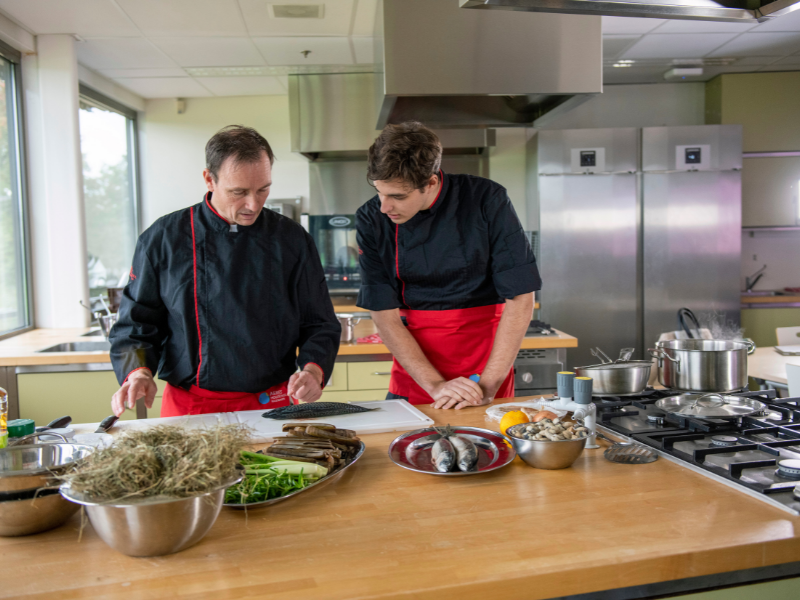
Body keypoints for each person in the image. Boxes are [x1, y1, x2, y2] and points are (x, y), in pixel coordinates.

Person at [109, 125, 341, 417]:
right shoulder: (164, 239)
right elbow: (136, 323)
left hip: (271, 401)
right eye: (238, 192)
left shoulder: (292, 239)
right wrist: (139, 373)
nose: (253, 204)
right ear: (209, 179)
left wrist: (313, 370)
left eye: (263, 189)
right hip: (191, 406)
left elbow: (320, 322)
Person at [356, 122, 541, 409]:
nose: (384, 206)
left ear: (430, 182)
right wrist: (435, 385)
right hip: (417, 370)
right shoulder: (371, 219)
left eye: (398, 196)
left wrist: (488, 386)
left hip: (485, 364)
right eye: (380, 192)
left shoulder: (486, 199)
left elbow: (521, 298)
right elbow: (383, 314)